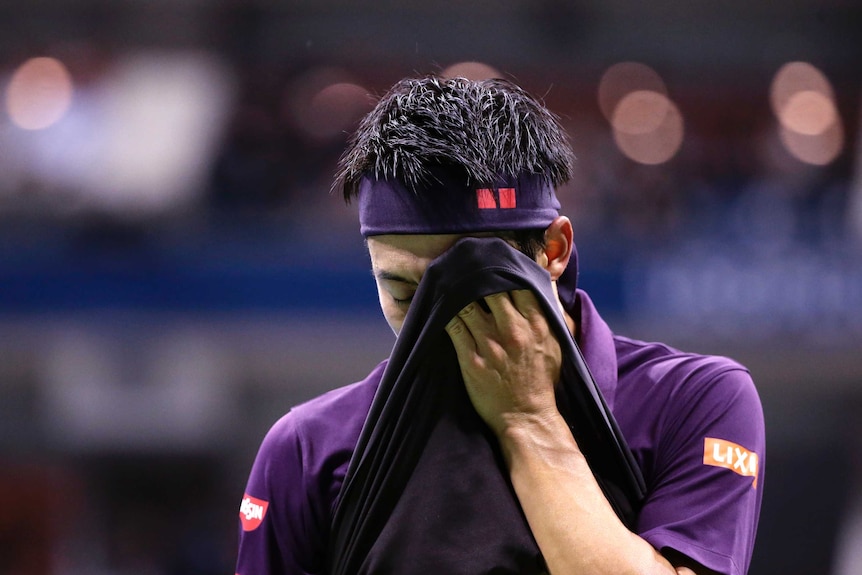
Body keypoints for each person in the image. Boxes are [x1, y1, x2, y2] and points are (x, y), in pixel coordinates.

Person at [235, 76, 765, 575]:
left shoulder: (694, 401)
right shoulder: (307, 448)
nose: (434, 321)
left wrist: (529, 419)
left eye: (469, 287)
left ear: (553, 251)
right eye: (403, 292)